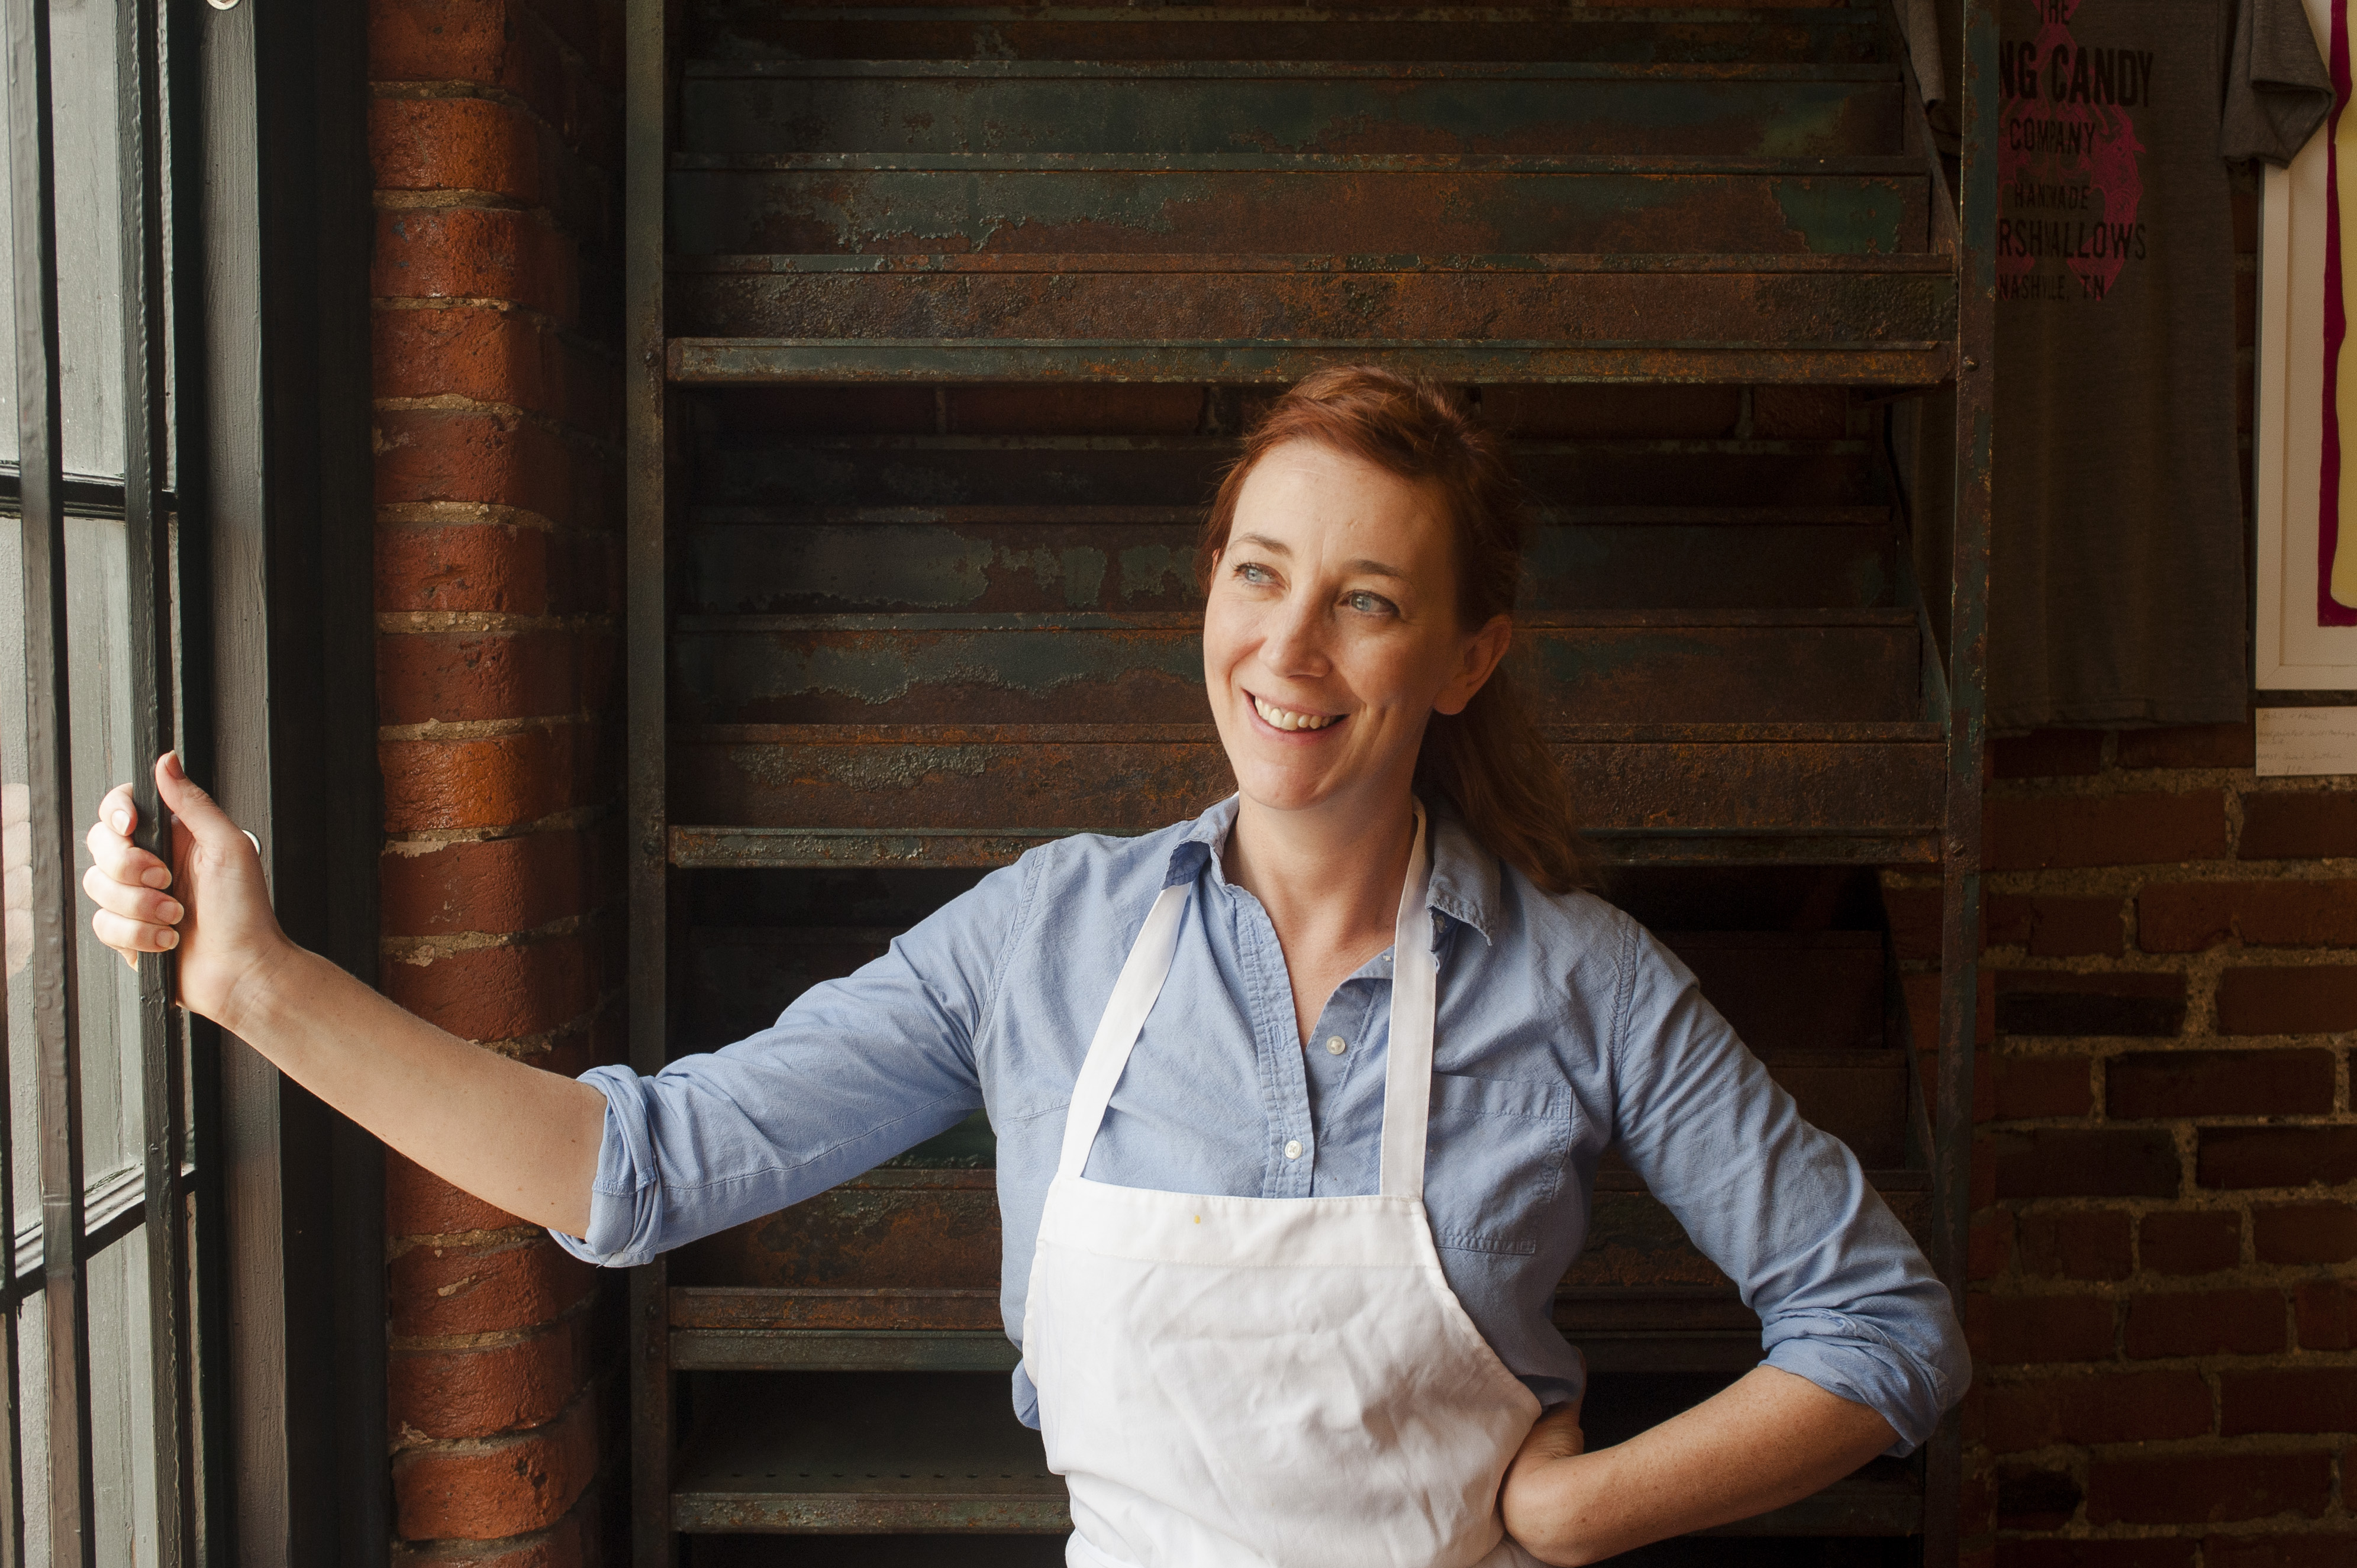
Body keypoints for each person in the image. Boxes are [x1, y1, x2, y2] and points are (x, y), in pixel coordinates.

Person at [85, 367, 1966, 1567]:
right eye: (1258, 572)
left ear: (1468, 656)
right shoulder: (1046, 938)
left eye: (1370, 600)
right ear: (1210, 590)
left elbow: (1887, 1332)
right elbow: (638, 1164)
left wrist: (1573, 1509)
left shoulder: (1583, 983)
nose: (1289, 647)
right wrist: (261, 983)